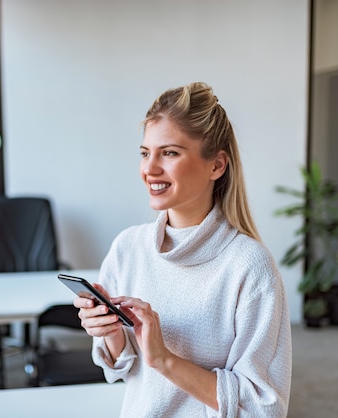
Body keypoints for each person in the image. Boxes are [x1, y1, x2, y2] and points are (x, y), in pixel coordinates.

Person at [74, 82, 292, 417]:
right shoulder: (127, 248)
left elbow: (263, 407)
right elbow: (118, 370)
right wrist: (111, 332)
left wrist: (164, 359)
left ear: (217, 166)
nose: (150, 169)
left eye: (170, 153)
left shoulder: (250, 267)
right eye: (146, 153)